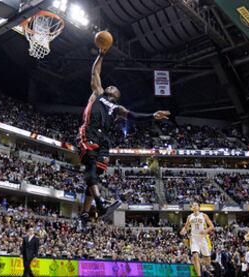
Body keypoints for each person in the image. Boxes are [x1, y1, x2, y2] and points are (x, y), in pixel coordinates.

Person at [78, 48, 170, 224]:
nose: (112, 87)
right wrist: (101, 55)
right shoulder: (98, 93)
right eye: (110, 86)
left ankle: (84, 213)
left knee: (96, 175)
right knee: (90, 169)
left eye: (115, 88)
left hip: (104, 139)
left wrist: (152, 115)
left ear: (118, 96)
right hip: (89, 131)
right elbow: (95, 72)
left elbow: (135, 116)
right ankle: (100, 203)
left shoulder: (118, 109)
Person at [180, 202, 214, 276]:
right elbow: (186, 227)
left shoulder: (204, 215)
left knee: (208, 259)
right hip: (194, 238)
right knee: (195, 256)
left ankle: (205, 266)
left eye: (196, 205)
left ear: (199, 207)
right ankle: (199, 275)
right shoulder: (189, 217)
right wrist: (183, 231)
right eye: (193, 205)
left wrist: (205, 231)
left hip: (203, 238)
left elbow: (211, 226)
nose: (194, 206)